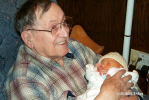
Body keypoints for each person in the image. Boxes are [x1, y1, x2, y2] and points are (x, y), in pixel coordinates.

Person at [5, 0, 138, 100]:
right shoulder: (24, 82)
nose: (65, 33)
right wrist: (105, 97)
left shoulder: (73, 46)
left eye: (64, 22)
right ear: (29, 39)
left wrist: (135, 97)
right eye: (54, 28)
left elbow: (122, 74)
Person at [77, 52, 143, 100]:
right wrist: (94, 68)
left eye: (108, 63)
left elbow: (134, 77)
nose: (103, 65)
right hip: (92, 95)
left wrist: (137, 97)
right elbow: (88, 72)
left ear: (121, 67)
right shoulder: (96, 73)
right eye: (102, 64)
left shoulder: (122, 73)